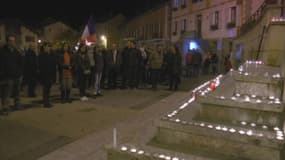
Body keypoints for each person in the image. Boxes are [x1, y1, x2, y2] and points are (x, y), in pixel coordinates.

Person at [0, 35, 23, 114]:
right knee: (7, 93)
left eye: (13, 41)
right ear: (7, 42)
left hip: (16, 75)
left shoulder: (16, 52)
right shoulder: (2, 51)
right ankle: (5, 107)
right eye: (10, 40)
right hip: (7, 76)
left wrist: (20, 72)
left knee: (17, 92)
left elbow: (20, 63)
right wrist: (2, 74)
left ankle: (17, 104)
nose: (12, 42)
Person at [38, 43, 57, 108]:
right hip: (45, 74)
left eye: (48, 47)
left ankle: (47, 101)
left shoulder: (52, 55)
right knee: (45, 88)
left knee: (48, 88)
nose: (47, 48)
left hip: (51, 74)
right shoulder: (41, 55)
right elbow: (40, 65)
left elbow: (54, 64)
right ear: (44, 48)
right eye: (46, 47)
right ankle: (45, 102)